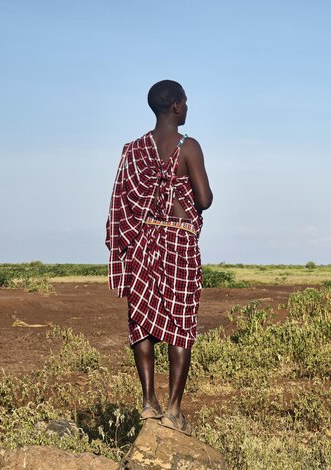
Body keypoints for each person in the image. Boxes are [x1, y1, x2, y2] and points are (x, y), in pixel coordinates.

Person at [106, 80, 212, 435]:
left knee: (143, 320)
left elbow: (122, 198)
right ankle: (173, 410)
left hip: (142, 240)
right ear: (177, 107)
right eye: (186, 102)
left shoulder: (132, 150)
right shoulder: (189, 146)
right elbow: (205, 199)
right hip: (178, 243)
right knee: (180, 323)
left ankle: (148, 403)